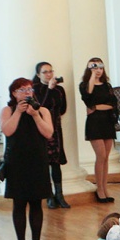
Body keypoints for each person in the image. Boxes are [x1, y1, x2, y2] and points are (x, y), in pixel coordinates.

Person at [1, 78, 54, 240]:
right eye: (22, 90)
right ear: (14, 93)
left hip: (37, 161)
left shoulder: (42, 110)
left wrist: (35, 115)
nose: (27, 92)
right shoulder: (7, 110)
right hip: (17, 163)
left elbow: (48, 133)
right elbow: (7, 131)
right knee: (19, 204)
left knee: (37, 204)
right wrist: (17, 112)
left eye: (29, 89)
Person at [31, 63, 70, 211]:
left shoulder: (59, 89)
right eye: (45, 72)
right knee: (43, 163)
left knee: (56, 163)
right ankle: (48, 196)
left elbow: (63, 108)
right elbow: (40, 107)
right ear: (38, 74)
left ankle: (59, 194)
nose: (48, 74)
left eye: (50, 71)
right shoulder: (35, 90)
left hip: (56, 129)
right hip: (40, 129)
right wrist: (49, 89)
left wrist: (53, 89)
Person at [80, 57, 117, 203]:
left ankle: (105, 187)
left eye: (100, 67)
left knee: (106, 157)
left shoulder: (107, 86)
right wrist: (92, 77)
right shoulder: (84, 85)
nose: (98, 70)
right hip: (94, 123)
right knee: (100, 155)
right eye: (94, 67)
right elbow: (88, 99)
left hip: (107, 121)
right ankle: (99, 189)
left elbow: (113, 104)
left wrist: (98, 107)